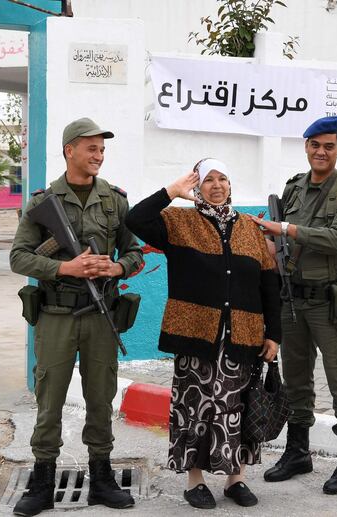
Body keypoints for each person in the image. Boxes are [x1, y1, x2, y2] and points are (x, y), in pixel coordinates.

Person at [125, 158, 281, 510]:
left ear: (231, 184)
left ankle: (235, 478)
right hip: (197, 335)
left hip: (243, 336)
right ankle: (195, 481)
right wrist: (171, 192)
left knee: (237, 406)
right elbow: (135, 219)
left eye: (222, 178)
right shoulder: (179, 222)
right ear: (196, 187)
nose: (216, 185)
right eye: (208, 179)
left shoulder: (250, 229)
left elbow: (269, 283)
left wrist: (275, 333)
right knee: (196, 407)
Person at [9, 118, 144, 516]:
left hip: (101, 315)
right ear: (70, 150)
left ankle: (101, 477)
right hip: (56, 315)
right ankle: (42, 481)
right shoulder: (42, 202)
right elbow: (18, 256)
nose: (98, 155)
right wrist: (66, 269)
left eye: (102, 150)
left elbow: (134, 252)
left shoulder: (114, 201)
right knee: (49, 400)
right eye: (91, 148)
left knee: (101, 398)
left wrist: (116, 270)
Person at [249, 115, 337, 496]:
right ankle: (298, 451)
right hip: (292, 298)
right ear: (306, 147)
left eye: (329, 146)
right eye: (315, 145)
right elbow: (279, 246)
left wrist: (284, 229)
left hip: (332, 302)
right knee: (297, 379)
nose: (321, 152)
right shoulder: (294, 188)